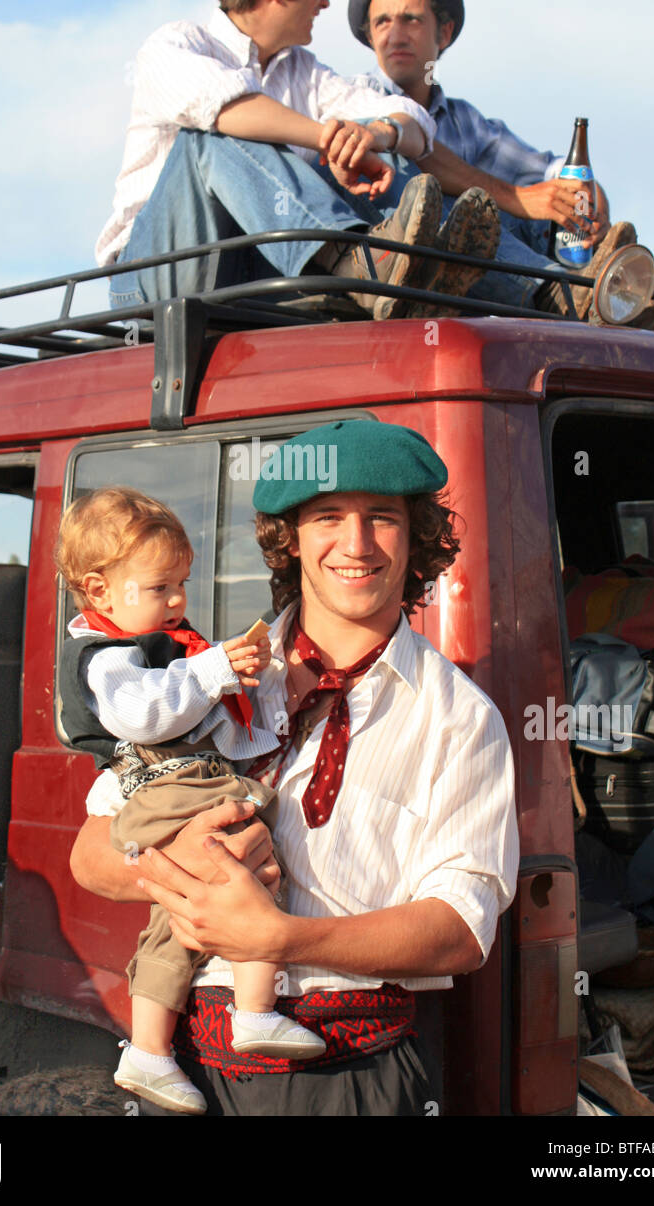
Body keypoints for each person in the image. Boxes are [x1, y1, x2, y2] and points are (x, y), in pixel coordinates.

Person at [70, 421, 519, 1116]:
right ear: (291, 539)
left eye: (383, 517)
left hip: (346, 1080)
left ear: (418, 538)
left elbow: (461, 929)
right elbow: (90, 854)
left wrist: (280, 939)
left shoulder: (460, 717)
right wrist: (178, 862)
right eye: (328, 517)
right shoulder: (206, 674)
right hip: (182, 1073)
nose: (357, 543)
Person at [55, 486, 326, 1115]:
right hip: (163, 788)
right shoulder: (104, 657)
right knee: (242, 872)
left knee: (200, 904)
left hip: (187, 784)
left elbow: (211, 724)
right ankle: (245, 1013)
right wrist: (212, 672)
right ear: (99, 591)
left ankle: (166, 1044)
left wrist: (246, 688)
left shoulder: (167, 644)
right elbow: (145, 715)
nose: (178, 599)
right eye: (160, 587)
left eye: (181, 583)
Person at [96, 0, 503, 320]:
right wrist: (328, 139)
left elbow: (412, 118)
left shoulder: (304, 71)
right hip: (154, 274)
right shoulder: (175, 45)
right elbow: (228, 107)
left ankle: (475, 280)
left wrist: (378, 135)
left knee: (369, 141)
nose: (325, 2)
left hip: (253, 269)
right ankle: (351, 258)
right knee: (211, 134)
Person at [347, 0, 654, 329]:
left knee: (547, 208)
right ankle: (572, 294)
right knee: (469, 210)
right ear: (370, 37)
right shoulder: (356, 99)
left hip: (475, 267)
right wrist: (519, 196)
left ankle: (627, 300)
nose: (395, 35)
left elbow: (546, 170)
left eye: (411, 19)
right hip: (404, 256)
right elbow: (418, 151)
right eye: (382, 22)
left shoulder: (465, 120)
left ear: (444, 32)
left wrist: (586, 195)